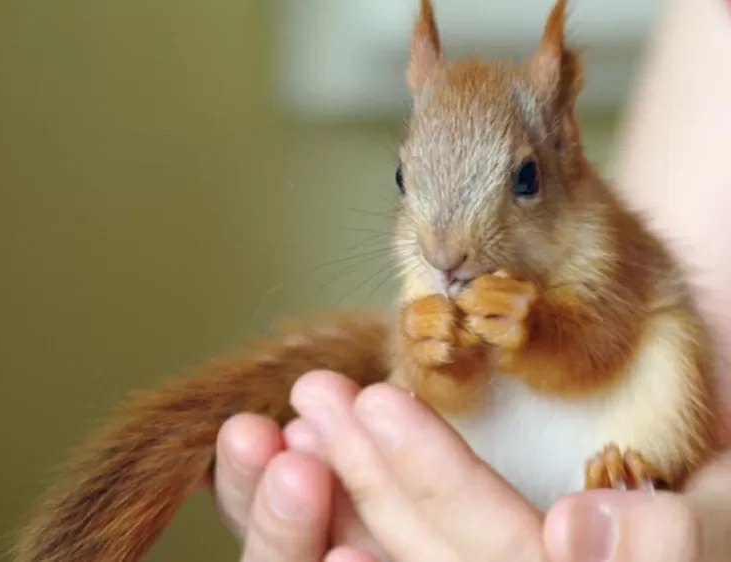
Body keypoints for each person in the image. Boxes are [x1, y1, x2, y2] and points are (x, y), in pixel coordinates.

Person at [208, 0, 731, 559]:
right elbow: (438, 390)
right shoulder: (427, 254)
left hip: (607, 436)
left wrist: (537, 328)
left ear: (563, 139)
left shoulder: (587, 237)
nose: (445, 252)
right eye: (407, 183)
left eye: (523, 183)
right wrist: (436, 354)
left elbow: (603, 355)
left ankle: (634, 473)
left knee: (668, 339)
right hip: (494, 454)